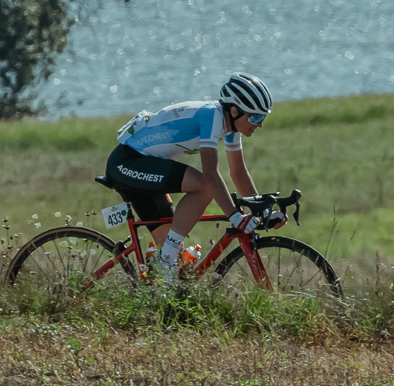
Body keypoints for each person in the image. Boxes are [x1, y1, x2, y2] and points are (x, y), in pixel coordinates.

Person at [105, 72, 286, 279]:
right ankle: (165, 260)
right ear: (235, 111)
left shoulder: (231, 127)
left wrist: (262, 211)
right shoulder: (212, 118)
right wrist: (235, 216)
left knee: (176, 266)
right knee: (204, 184)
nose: (260, 124)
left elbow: (238, 172)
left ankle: (159, 276)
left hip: (149, 166)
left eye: (263, 117)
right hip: (127, 162)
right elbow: (211, 174)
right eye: (255, 117)